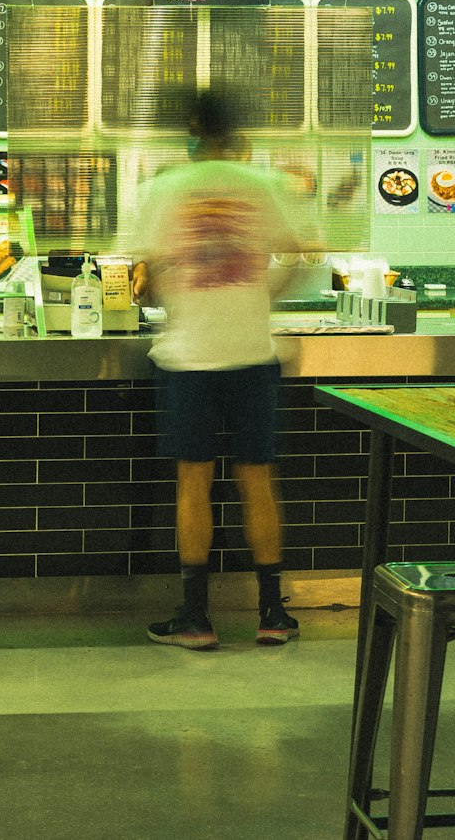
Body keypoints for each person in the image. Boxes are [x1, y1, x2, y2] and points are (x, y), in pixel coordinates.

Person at [133, 86, 305, 652]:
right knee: (257, 477)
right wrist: (264, 298)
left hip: (189, 356)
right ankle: (273, 614)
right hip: (252, 353)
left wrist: (173, 296)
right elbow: (301, 254)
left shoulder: (165, 188)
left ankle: (196, 619)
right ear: (236, 131)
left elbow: (149, 277)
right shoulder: (263, 186)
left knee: (194, 480)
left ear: (191, 128)